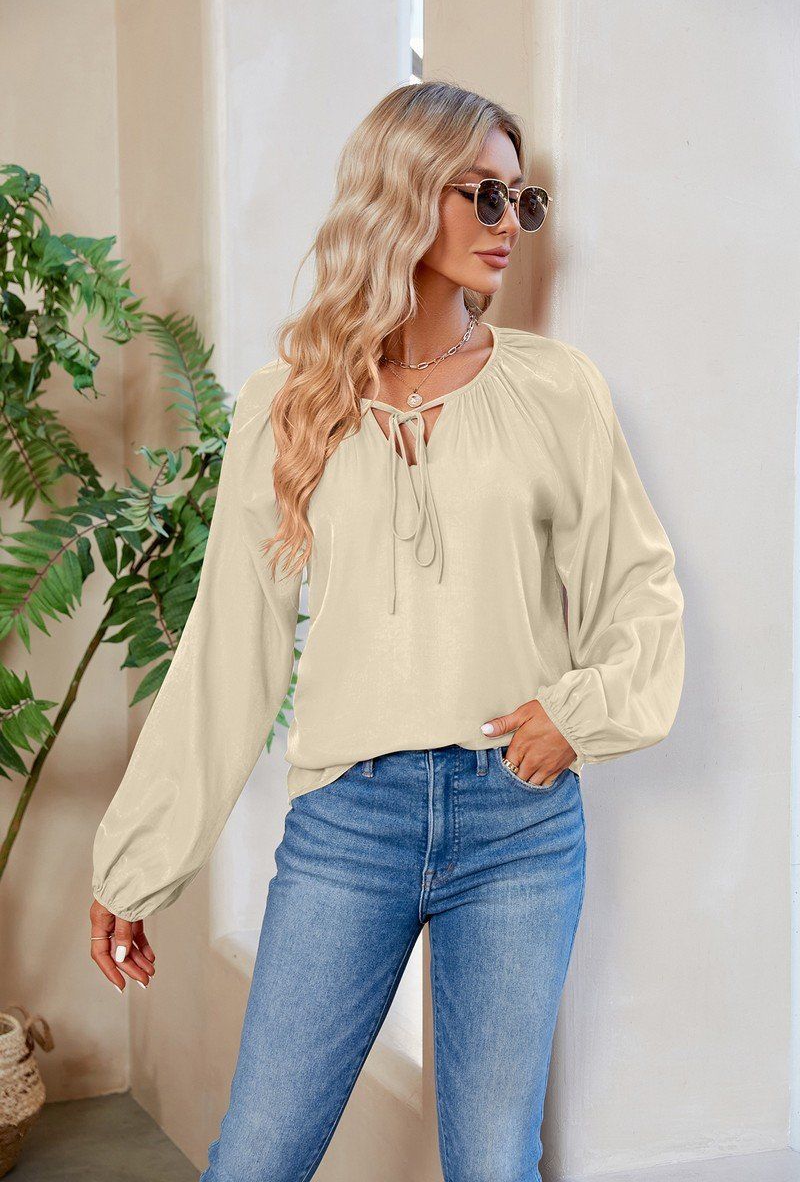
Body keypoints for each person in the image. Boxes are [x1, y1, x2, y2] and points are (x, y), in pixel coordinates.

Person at [89, 80, 685, 1182]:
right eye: (482, 195)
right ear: (403, 195)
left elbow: (638, 589)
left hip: (517, 823)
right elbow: (228, 652)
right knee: (258, 1155)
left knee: (494, 1162)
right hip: (347, 822)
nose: (509, 224)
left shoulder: (556, 390)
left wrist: (581, 712)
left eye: (522, 200)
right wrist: (138, 864)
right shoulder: (290, 403)